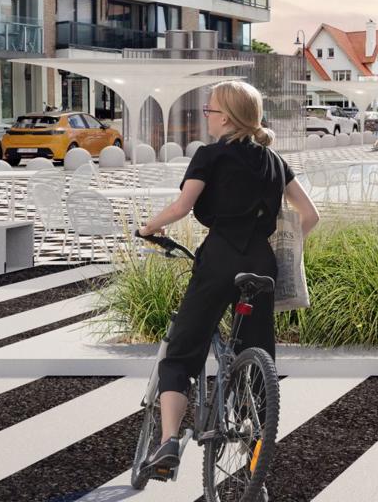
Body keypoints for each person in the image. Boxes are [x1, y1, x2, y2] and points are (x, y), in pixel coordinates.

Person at [136, 79, 320, 482]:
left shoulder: (210, 155)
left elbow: (183, 206)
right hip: (262, 264)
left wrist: (148, 227)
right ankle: (256, 456)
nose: (206, 118)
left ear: (227, 117)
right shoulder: (275, 161)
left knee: (182, 351)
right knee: (256, 355)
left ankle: (168, 443)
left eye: (210, 111)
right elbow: (310, 215)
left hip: (220, 259)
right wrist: (283, 248)